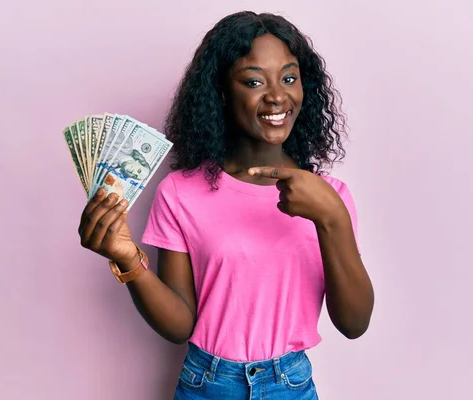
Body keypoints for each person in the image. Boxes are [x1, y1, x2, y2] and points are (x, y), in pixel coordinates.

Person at [78, 11, 374, 400]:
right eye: (253, 81)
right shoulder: (181, 192)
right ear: (221, 91)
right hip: (206, 383)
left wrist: (332, 218)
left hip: (290, 386)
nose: (277, 96)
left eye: (289, 77)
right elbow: (180, 324)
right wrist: (128, 259)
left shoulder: (328, 196)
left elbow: (354, 323)